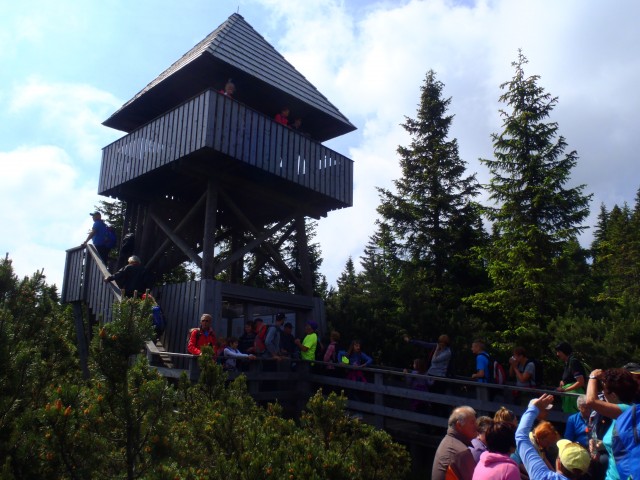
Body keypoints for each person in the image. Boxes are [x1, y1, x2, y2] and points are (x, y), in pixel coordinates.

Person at [516, 394, 591, 480]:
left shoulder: (542, 476)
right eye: (545, 410)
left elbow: (521, 436)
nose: (548, 412)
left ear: (558, 463)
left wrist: (534, 409)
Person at [586, 368, 637, 480]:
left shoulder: (626, 411)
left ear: (613, 395)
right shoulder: (622, 415)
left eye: (603, 389)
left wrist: (593, 377)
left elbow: (590, 401)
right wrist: (602, 444)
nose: (602, 393)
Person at [432, 406, 478, 480]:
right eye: (472, 422)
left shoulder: (447, 442)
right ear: (459, 425)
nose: (476, 426)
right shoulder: (461, 452)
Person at [555, 342, 586, 413]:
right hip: (569, 399)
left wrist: (565, 390)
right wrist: (563, 381)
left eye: (559, 352)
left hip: (574, 398)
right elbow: (570, 378)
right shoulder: (568, 363)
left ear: (565, 351)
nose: (557, 354)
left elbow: (580, 382)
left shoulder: (573, 362)